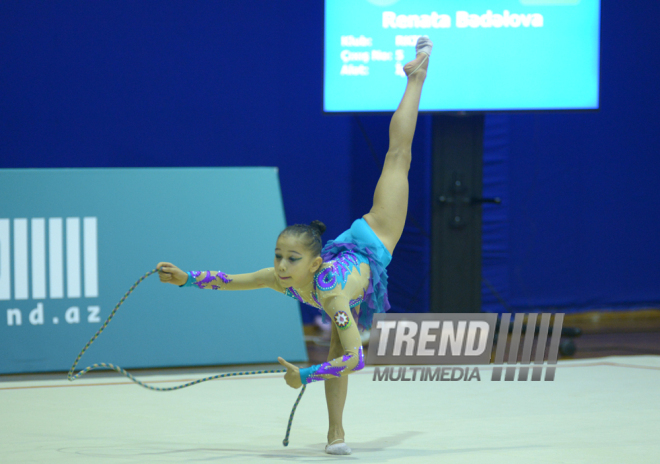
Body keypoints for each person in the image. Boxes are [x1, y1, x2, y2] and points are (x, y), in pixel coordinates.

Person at [157, 36, 432, 455]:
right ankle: (336, 434)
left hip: (373, 238)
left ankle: (416, 78)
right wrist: (185, 279)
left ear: (313, 261)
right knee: (335, 348)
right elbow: (233, 280)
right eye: (279, 256)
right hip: (342, 253)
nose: (281, 266)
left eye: (291, 259)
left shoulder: (332, 294)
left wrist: (304, 376)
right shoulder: (283, 278)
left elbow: (357, 358)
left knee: (398, 156)